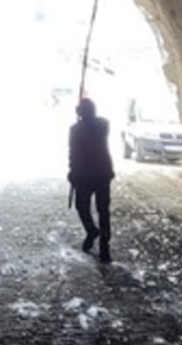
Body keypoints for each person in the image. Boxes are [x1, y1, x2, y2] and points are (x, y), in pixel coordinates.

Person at [68, 97, 114, 263]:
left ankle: (92, 231)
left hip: (84, 174)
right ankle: (104, 247)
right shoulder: (103, 124)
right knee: (103, 211)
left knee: (82, 207)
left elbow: (73, 153)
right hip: (101, 173)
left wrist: (72, 172)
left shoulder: (76, 129)